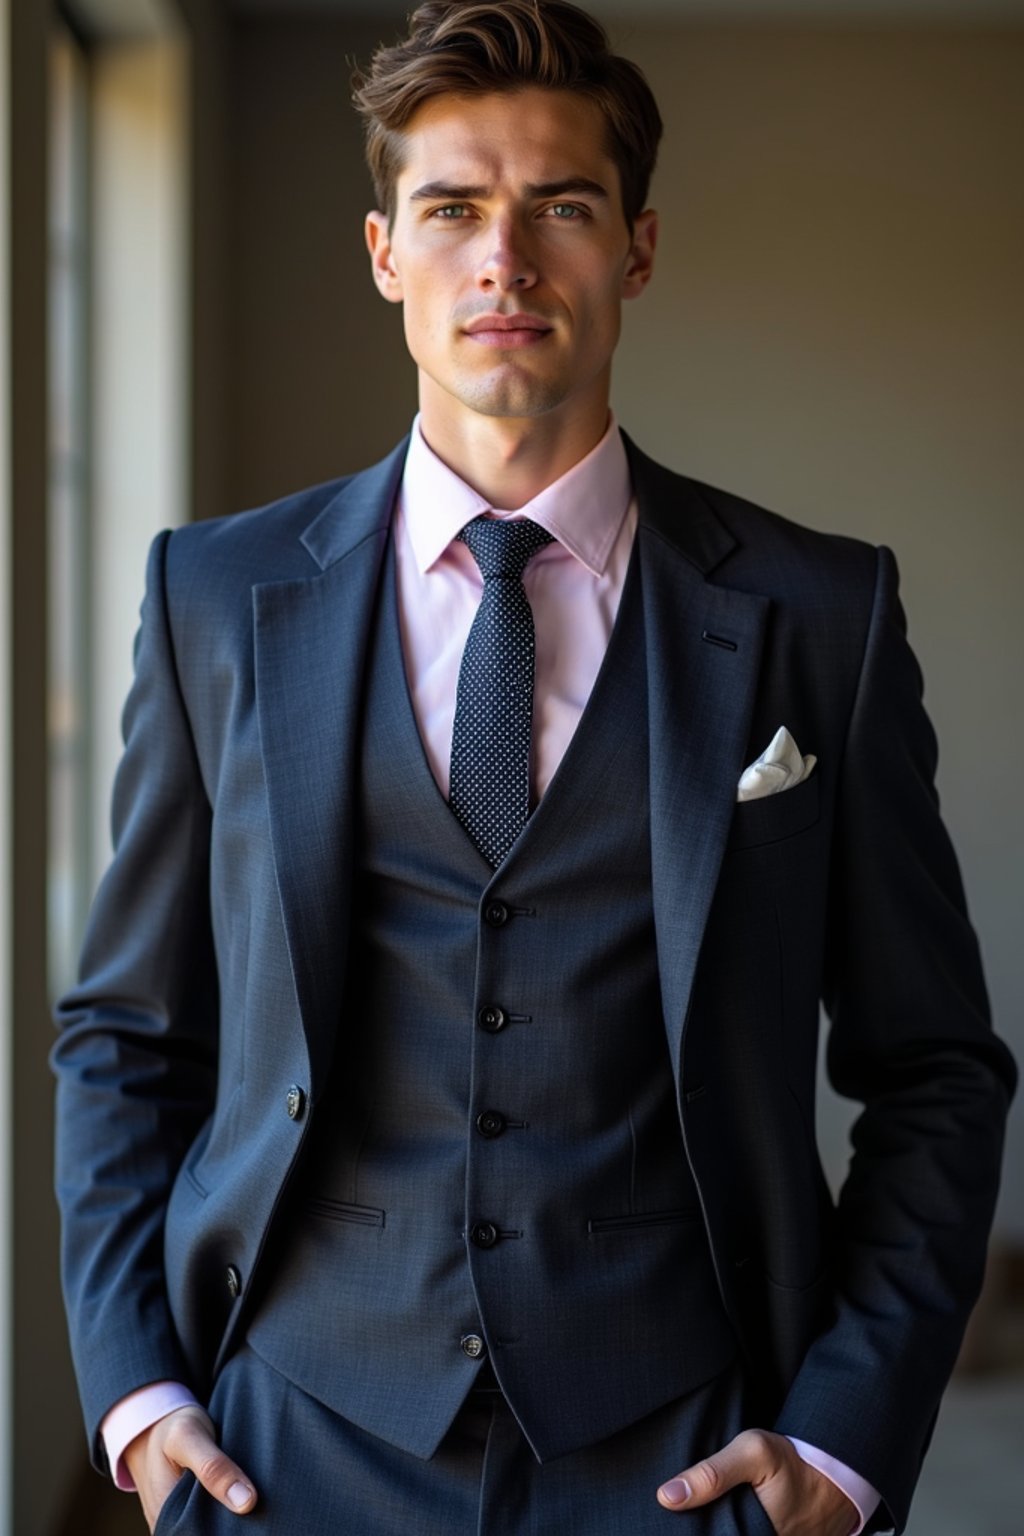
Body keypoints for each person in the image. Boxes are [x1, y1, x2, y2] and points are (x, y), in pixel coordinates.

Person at [53, 3, 1015, 1533]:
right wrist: (138, 1392)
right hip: (289, 1449)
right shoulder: (216, 598)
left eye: (559, 207)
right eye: (451, 210)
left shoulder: (822, 614)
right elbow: (124, 1033)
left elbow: (936, 1070)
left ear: (634, 249)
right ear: (385, 253)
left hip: (688, 1450)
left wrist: (841, 1441)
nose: (502, 258)